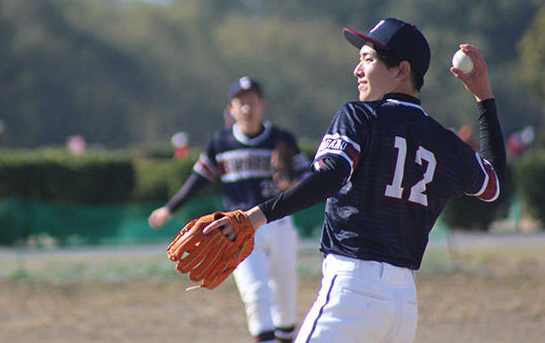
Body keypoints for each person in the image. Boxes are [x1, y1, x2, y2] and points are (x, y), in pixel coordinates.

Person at [204, 18, 505, 342]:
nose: (357, 70)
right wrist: (485, 99)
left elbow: (331, 176)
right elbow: (494, 184)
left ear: (401, 71)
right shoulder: (444, 142)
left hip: (352, 289)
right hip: (403, 307)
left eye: (368, 59)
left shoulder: (360, 116)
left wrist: (255, 217)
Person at [149, 76, 311, 343]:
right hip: (238, 229)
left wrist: (291, 181)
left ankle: (286, 337)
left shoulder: (281, 139)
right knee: (255, 292)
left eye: (252, 102)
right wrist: (170, 208)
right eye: (241, 103)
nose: (247, 108)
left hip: (279, 223)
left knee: (285, 294)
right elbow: (198, 180)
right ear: (231, 109)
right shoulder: (221, 142)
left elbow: (308, 178)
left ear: (263, 105)